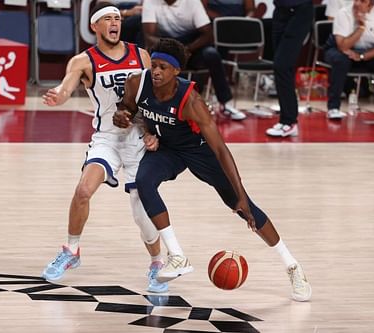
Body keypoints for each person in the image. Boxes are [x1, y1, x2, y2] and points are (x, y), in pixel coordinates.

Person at [113, 38, 312, 302]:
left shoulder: (192, 101)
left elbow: (221, 150)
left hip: (199, 150)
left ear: (176, 72)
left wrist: (240, 193)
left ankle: (292, 266)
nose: (157, 72)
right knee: (144, 182)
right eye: (154, 66)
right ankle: (177, 256)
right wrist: (124, 116)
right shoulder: (136, 84)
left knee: (244, 207)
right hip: (167, 150)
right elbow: (128, 107)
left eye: (163, 67)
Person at [41, 2, 168, 293]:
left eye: (118, 19)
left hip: (137, 138)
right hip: (107, 137)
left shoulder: (141, 55)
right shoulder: (83, 61)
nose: (115, 23)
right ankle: (72, 251)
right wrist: (58, 97)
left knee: (142, 212)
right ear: (94, 26)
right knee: (83, 190)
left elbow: (155, 97)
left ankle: (157, 263)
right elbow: (65, 87)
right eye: (108, 19)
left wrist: (154, 132)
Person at [141, 0, 247, 121]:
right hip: (165, 45)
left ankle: (226, 103)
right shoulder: (150, 1)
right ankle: (152, 104)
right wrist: (173, 50)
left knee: (211, 55)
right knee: (149, 55)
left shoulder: (192, 2)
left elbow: (207, 33)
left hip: (191, 45)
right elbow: (149, 36)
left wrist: (186, 50)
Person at [324, 0, 374, 119]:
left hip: (367, 52)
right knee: (340, 61)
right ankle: (333, 108)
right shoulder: (343, 13)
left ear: (371, 5)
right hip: (340, 50)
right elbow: (342, 46)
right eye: (356, 0)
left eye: (362, 1)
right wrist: (360, 28)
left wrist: (362, 57)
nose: (357, 3)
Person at [265, 0, 313, 137]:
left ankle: (289, 121)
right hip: (280, 10)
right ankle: (286, 119)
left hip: (299, 11)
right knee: (283, 68)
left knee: (281, 65)